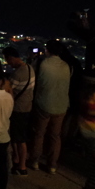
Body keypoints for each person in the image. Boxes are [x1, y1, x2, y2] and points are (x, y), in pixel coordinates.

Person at [30, 39, 72, 173]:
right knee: (55, 136)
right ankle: (52, 165)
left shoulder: (42, 63)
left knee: (39, 134)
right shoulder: (67, 66)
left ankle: (34, 161)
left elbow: (34, 77)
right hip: (61, 105)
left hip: (43, 103)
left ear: (48, 50)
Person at [2, 46, 35, 175]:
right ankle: (18, 160)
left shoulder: (17, 74)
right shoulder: (29, 68)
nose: (8, 63)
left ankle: (22, 166)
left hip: (18, 109)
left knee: (20, 139)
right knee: (18, 137)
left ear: (11, 58)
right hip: (27, 107)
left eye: (7, 60)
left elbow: (7, 91)